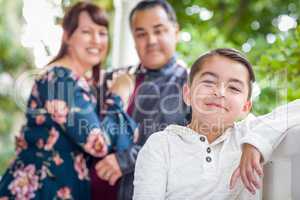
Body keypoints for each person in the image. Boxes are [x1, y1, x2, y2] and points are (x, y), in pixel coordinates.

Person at [0, 2, 136, 200]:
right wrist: (118, 95)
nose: (96, 40)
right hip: (41, 190)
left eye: (102, 33)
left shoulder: (81, 84)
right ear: (67, 36)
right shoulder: (60, 78)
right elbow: (97, 143)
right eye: (87, 32)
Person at [133, 48, 300, 200]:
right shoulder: (161, 145)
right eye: (209, 82)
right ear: (187, 94)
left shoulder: (247, 133)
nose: (219, 92)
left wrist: (254, 142)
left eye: (234, 88)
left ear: (245, 107)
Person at [92, 1, 190, 199]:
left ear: (175, 32)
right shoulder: (113, 79)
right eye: (141, 34)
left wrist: (125, 160)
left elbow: (188, 144)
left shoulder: (190, 85)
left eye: (159, 30)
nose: (151, 40)